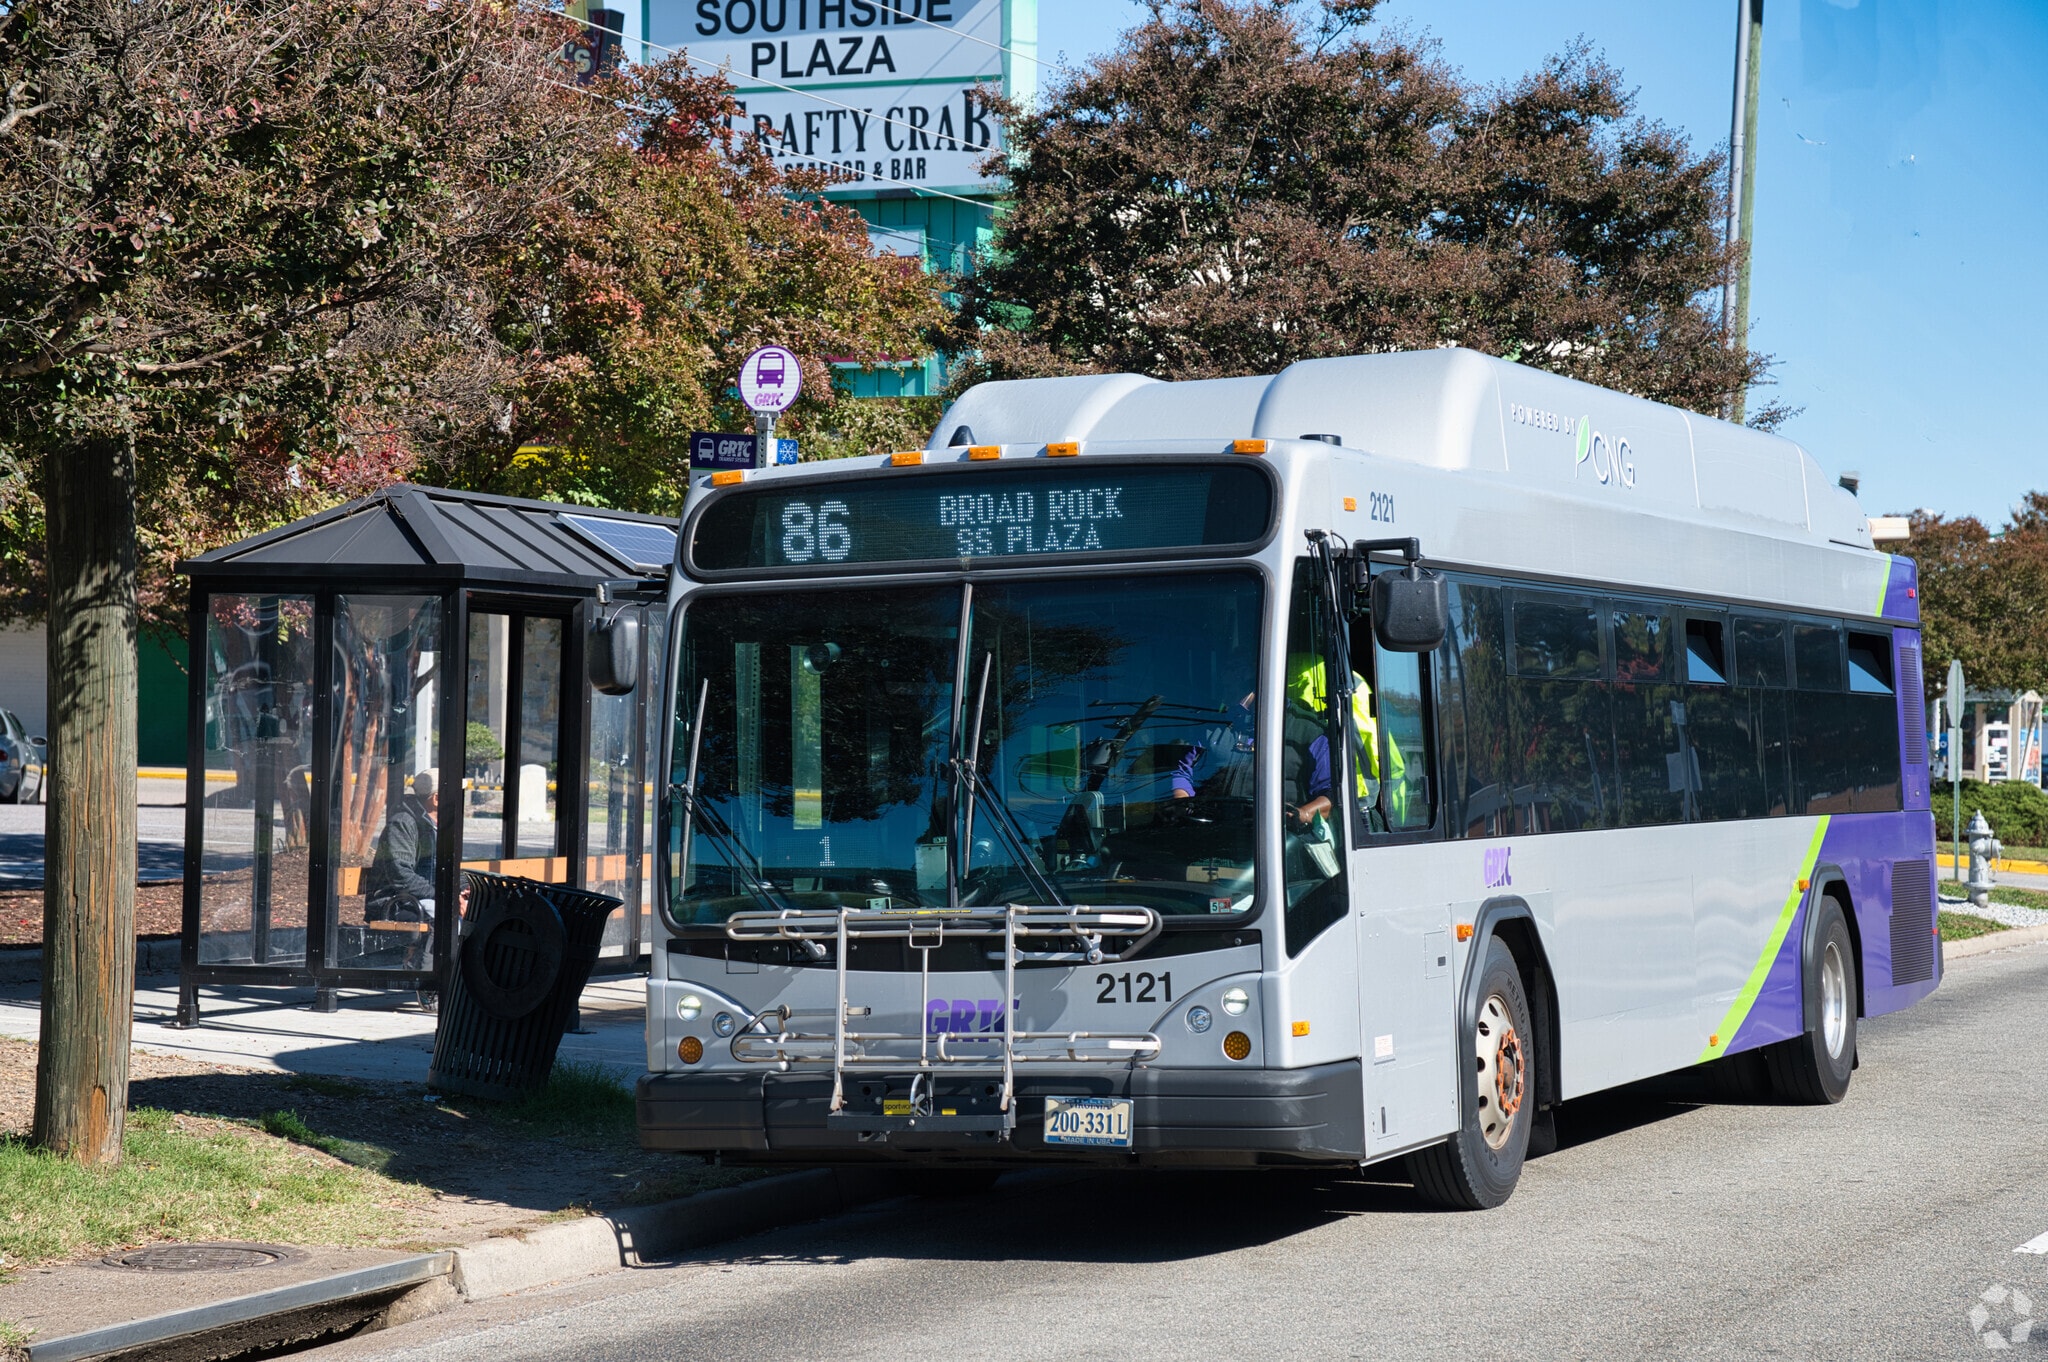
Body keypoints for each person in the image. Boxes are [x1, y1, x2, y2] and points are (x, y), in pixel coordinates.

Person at [364, 770, 438, 924]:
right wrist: (440, 895)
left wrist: (461, 890)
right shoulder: (403, 822)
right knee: (446, 919)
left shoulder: (437, 826)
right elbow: (400, 874)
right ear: (436, 799)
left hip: (423, 899)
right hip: (394, 903)